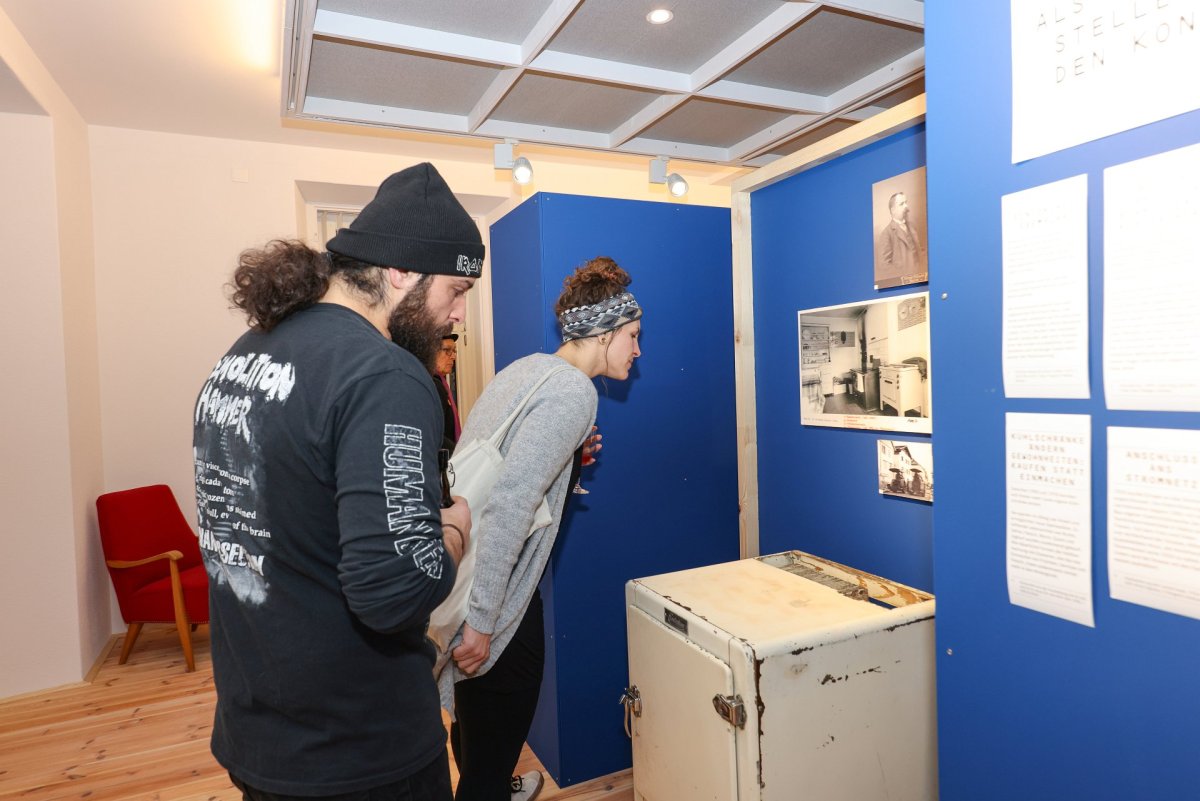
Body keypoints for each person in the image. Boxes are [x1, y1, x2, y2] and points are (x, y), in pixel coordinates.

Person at [192, 162, 482, 801]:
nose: (458, 314)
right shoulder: (386, 376)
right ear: (400, 272)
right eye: (456, 290)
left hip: (259, 727)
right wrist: (454, 532)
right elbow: (394, 592)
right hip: (359, 748)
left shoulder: (246, 352)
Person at [439, 257, 641, 801]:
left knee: (476, 726)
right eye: (632, 335)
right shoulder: (575, 392)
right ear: (603, 333)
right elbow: (511, 504)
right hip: (497, 594)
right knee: (494, 741)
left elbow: (500, 468)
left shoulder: (527, 369)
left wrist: (569, 462)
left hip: (468, 569)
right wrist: (483, 622)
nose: (637, 350)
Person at [875, 191, 925, 281]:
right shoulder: (886, 234)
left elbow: (921, 251)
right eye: (901, 204)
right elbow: (884, 266)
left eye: (906, 202)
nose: (906, 206)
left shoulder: (912, 226)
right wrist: (906, 277)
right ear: (893, 210)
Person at [432, 333, 462, 452]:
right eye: (447, 350)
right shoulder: (432, 385)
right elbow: (435, 433)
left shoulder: (441, 382)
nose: (453, 356)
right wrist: (457, 453)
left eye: (454, 351)